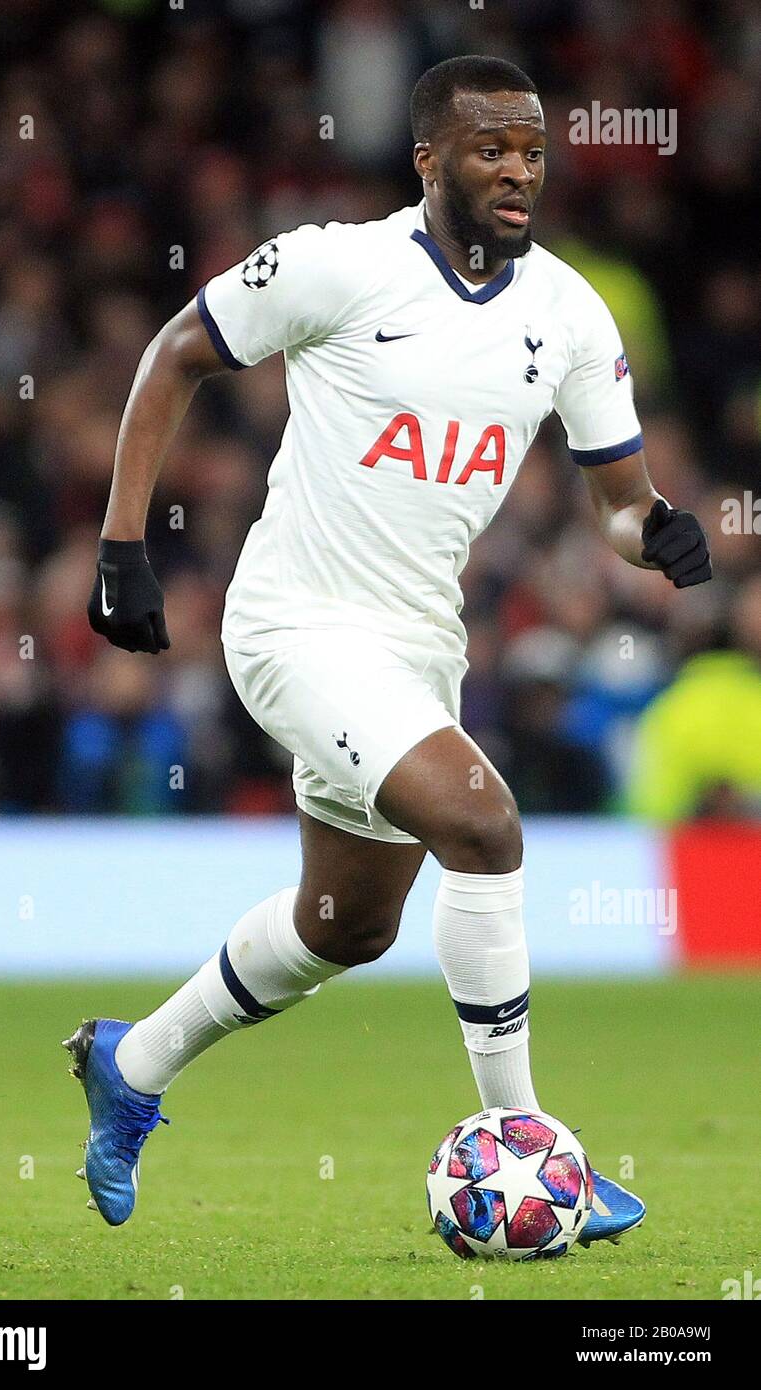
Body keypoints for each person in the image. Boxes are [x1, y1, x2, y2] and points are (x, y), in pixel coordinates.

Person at [64, 57, 711, 1248]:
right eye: (489, 150)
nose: (517, 170)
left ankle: (131, 1061)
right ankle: (533, 1150)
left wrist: (650, 532)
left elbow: (617, 496)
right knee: (482, 823)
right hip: (295, 625)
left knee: (343, 925)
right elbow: (173, 356)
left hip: (417, 647)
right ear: (430, 161)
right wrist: (121, 548)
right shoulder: (337, 265)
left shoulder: (566, 311)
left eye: (529, 150)